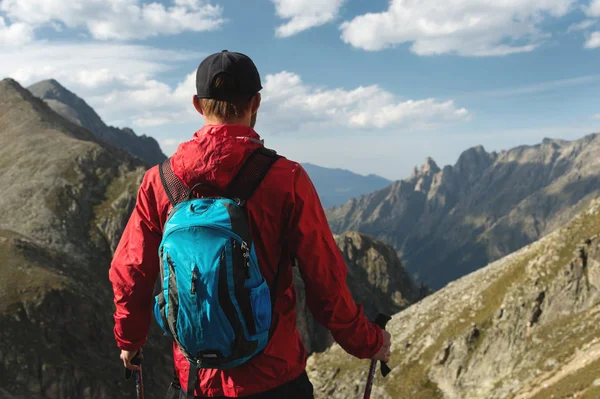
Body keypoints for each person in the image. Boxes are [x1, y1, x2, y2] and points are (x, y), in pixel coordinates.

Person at [109, 50, 392, 398]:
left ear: (198, 105)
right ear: (256, 102)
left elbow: (131, 270)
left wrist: (130, 339)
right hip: (274, 377)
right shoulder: (286, 179)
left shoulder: (160, 181)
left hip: (196, 379)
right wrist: (369, 342)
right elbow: (325, 281)